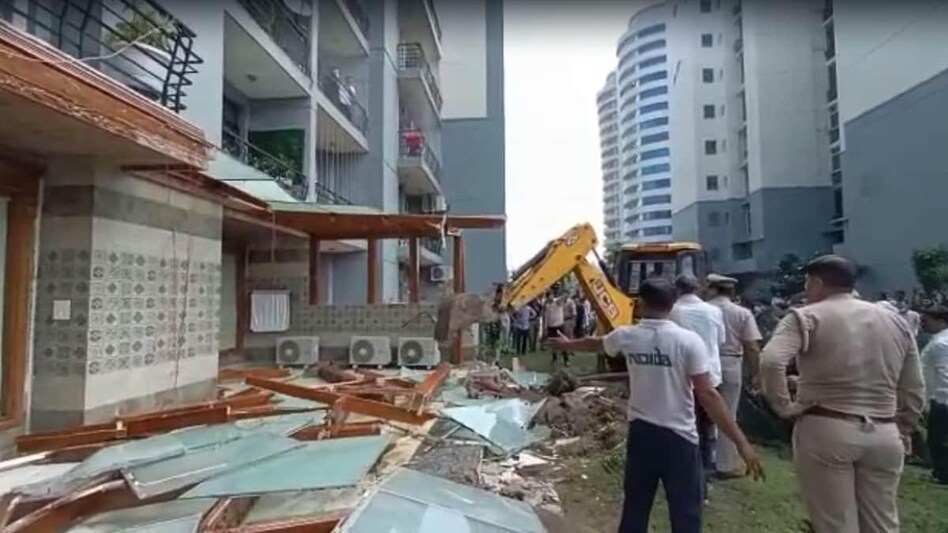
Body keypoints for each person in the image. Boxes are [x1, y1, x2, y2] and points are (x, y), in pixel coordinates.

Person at [545, 278, 764, 532]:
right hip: (679, 439)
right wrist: (741, 443)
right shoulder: (688, 342)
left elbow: (597, 344)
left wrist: (568, 344)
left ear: (639, 303)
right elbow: (708, 396)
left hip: (642, 435)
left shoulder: (627, 336)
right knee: (686, 513)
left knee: (635, 509)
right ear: (672, 306)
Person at [760, 255, 926, 533]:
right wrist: (905, 427)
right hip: (885, 430)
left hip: (826, 425)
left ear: (817, 282)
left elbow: (771, 360)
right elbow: (913, 386)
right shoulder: (896, 321)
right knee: (882, 522)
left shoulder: (806, 316)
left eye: (807, 284)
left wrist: (784, 406)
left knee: (835, 523)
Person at [669, 274, 726, 495]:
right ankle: (705, 477)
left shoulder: (674, 312)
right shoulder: (714, 312)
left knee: (686, 430)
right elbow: (720, 341)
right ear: (697, 288)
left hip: (684, 380)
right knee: (707, 429)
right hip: (712, 378)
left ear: (677, 290)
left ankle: (686, 477)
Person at [706, 274, 763, 479]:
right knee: (728, 413)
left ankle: (703, 456)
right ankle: (725, 465)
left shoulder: (702, 310)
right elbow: (752, 347)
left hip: (703, 363)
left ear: (712, 289)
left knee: (702, 411)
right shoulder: (742, 313)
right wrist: (756, 373)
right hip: (730, 362)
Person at [919, 305, 948, 485]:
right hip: (940, 395)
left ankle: (943, 473)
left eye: (927, 320)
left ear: (940, 321)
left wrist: (941, 398)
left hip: (942, 398)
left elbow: (944, 371)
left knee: (938, 439)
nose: (923, 324)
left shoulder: (940, 344)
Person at [544, 292, 569, 366]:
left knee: (562, 343)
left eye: (551, 296)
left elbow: (564, 297)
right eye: (549, 296)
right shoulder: (547, 306)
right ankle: (554, 359)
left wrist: (565, 294)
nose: (550, 298)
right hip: (551, 327)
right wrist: (545, 327)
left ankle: (566, 360)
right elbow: (546, 317)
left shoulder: (557, 302)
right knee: (552, 344)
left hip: (559, 326)